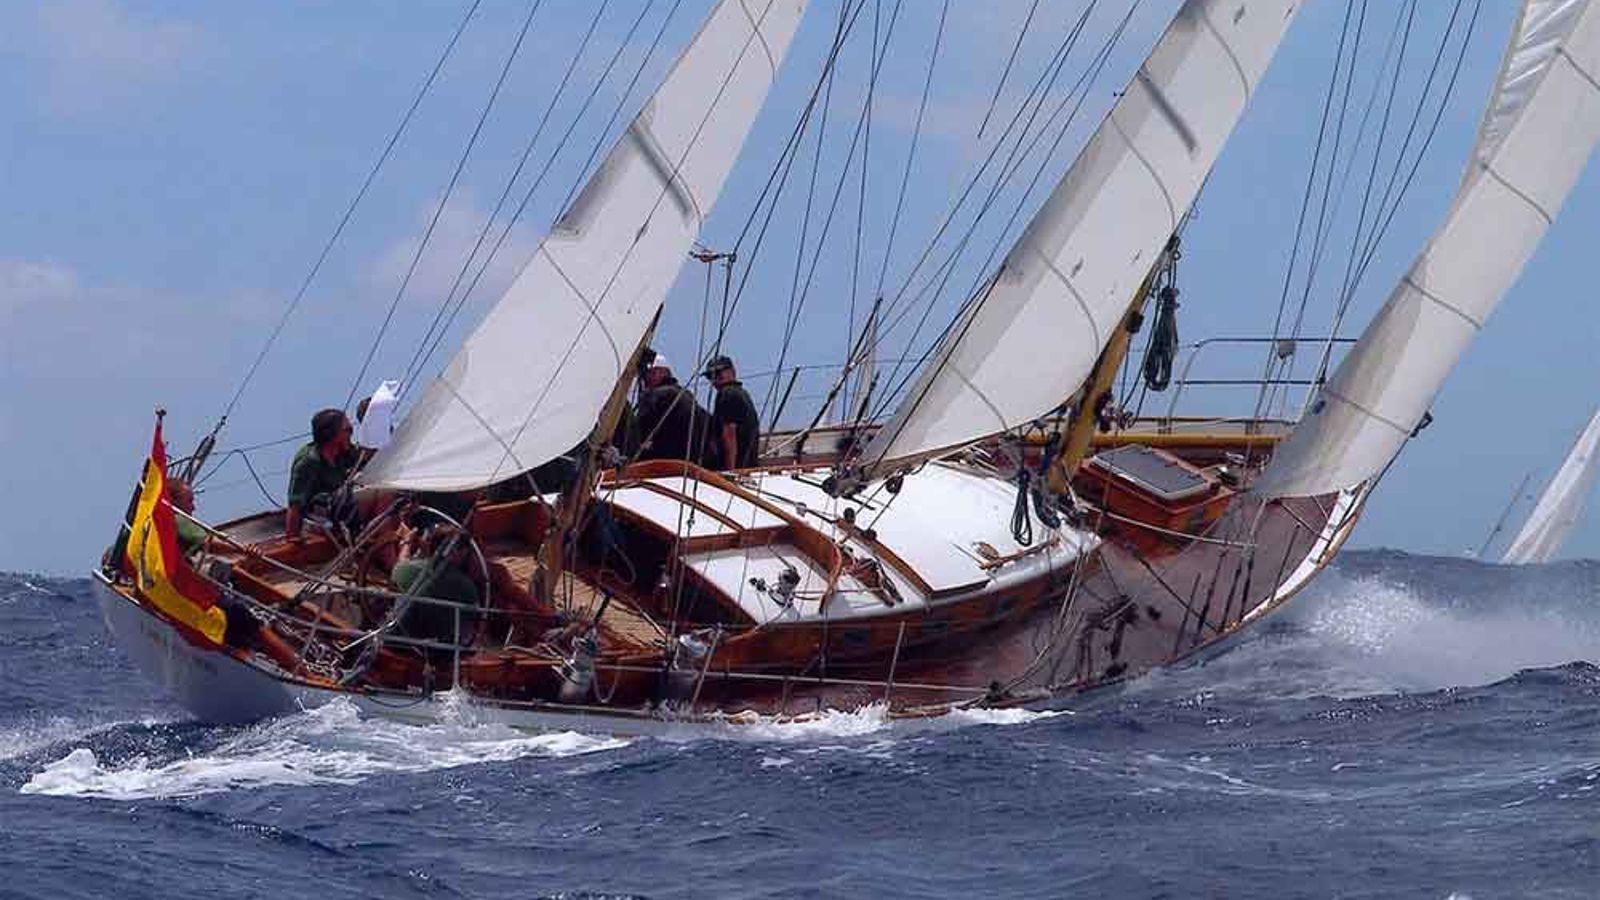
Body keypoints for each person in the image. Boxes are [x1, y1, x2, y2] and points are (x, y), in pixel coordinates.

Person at [389, 520, 480, 645]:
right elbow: (475, 620)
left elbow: (401, 564)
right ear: (459, 553)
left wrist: (407, 543)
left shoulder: (406, 570)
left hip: (403, 642)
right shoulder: (468, 587)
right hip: (442, 651)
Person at [285, 408, 359, 541]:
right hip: (321, 518)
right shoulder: (309, 461)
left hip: (345, 511)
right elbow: (295, 504)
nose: (351, 435)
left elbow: (369, 457)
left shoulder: (346, 453)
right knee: (380, 496)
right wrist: (292, 539)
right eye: (348, 430)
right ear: (332, 435)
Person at [635, 354, 710, 464]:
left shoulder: (657, 395)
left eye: (651, 373)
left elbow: (638, 431)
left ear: (664, 373)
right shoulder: (686, 394)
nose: (646, 379)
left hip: (665, 459)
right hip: (690, 461)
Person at [704, 355, 761, 470]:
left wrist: (730, 470)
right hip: (748, 464)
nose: (714, 379)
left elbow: (730, 433)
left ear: (732, 371)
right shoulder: (741, 393)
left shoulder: (727, 393)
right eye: (710, 376)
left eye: (719, 373)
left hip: (737, 466)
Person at [167, 477, 208, 557]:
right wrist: (238, 549)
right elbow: (210, 542)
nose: (193, 507)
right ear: (173, 501)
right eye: (189, 501)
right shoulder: (176, 520)